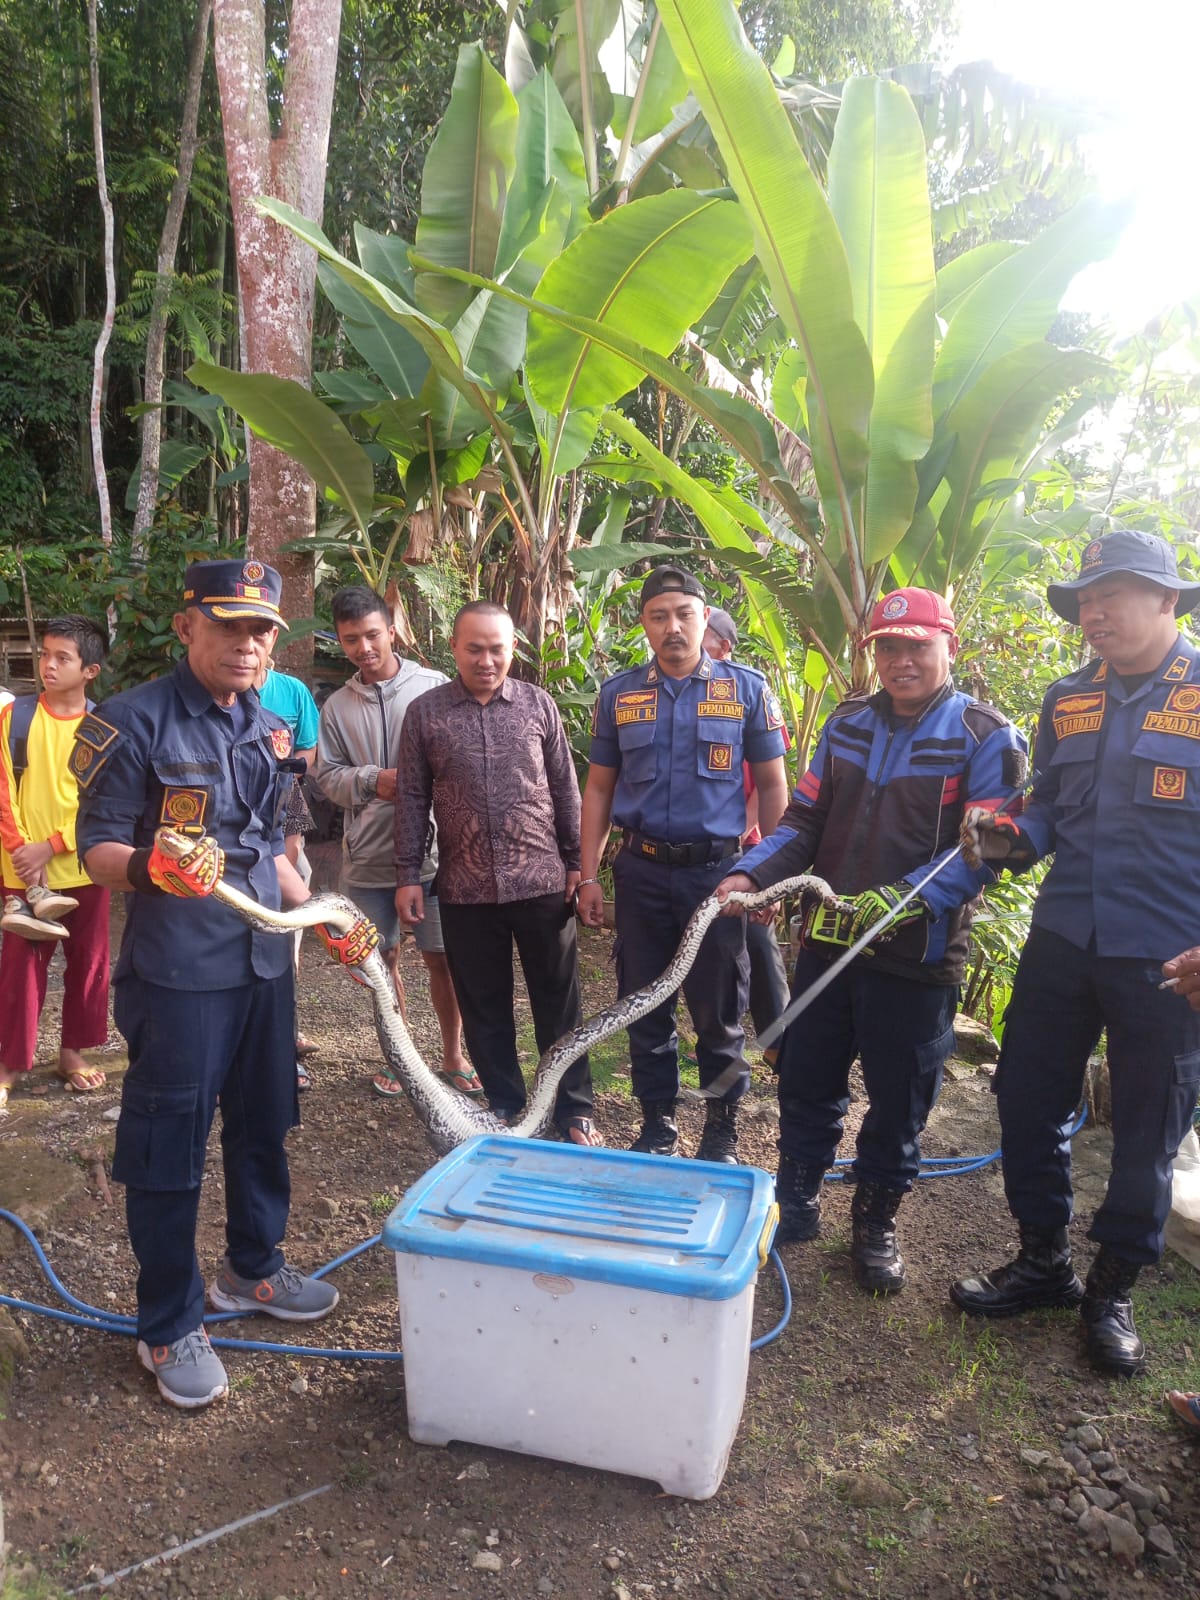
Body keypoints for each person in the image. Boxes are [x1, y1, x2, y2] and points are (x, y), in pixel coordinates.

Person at [75, 559, 377, 1410]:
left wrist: (325, 912)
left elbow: (271, 854)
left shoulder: (270, 726)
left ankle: (253, 1270)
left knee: (263, 1121)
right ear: (188, 628)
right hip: (181, 975)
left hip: (262, 963)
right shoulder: (131, 723)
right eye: (231, 626)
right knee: (169, 1147)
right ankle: (168, 1323)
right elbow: (97, 852)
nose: (248, 645)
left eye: (263, 631)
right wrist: (151, 867)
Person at [716, 587, 1027, 1292]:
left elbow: (981, 853)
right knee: (807, 1077)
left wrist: (902, 900)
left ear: (949, 645)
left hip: (916, 960)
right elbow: (802, 822)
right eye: (888, 647)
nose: (900, 661)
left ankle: (875, 1222)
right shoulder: (849, 721)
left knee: (897, 1101)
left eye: (916, 646)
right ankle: (794, 1199)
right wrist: (747, 875)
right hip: (827, 942)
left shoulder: (986, 736)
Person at [950, 529, 1200, 1378]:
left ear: (1167, 600)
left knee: (1144, 1134)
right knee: (1024, 1099)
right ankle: (1044, 1261)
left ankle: (1113, 1291)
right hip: (1063, 937)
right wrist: (1008, 832)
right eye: (1084, 599)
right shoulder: (1069, 698)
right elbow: (1050, 805)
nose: (1094, 612)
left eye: (1114, 594)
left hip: (1171, 959)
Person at [577, 566, 788, 1163]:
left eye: (684, 614)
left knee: (719, 1010)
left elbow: (774, 788)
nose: (673, 628)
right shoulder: (619, 695)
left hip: (717, 877)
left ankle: (721, 1131)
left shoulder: (746, 690)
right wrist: (589, 874)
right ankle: (658, 1126)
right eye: (658, 616)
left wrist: (769, 876)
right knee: (645, 1003)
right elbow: (597, 791)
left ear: (703, 619)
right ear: (643, 625)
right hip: (640, 872)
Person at [394, 600, 599, 1144]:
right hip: (464, 887)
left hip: (541, 883)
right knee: (484, 1006)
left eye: (497, 649)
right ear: (455, 649)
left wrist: (577, 863)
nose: (487, 660)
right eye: (474, 648)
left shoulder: (538, 705)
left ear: (513, 650)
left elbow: (565, 789)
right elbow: (412, 798)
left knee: (559, 1001)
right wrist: (408, 873)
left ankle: (573, 1108)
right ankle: (507, 1106)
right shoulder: (425, 713)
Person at [314, 586, 476, 1099]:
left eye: (372, 635)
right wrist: (370, 780)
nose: (364, 647)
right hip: (368, 857)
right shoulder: (336, 707)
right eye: (351, 639)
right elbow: (326, 777)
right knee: (380, 964)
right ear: (341, 642)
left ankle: (453, 1055)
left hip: (436, 856)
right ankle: (402, 1057)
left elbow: (465, 762)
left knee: (444, 957)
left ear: (391, 629)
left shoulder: (435, 688)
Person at [0, 616, 112, 1110]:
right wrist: (22, 853)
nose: (47, 665)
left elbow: (107, 803)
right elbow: (3, 789)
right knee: (19, 967)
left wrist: (53, 845)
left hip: (86, 866)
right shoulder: (16, 717)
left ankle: (72, 1051)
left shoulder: (104, 728)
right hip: (21, 869)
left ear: (90, 670)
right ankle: (9, 1061)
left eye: (61, 658)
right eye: (45, 654)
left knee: (90, 963)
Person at [702, 607, 792, 1065]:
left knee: (756, 940)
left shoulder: (746, 692)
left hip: (746, 846)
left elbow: (766, 782)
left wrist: (749, 842)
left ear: (722, 644)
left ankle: (778, 1043)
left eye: (703, 632)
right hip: (699, 850)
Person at [254, 653, 320, 1087]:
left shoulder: (292, 692)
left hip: (285, 802)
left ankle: (285, 1037)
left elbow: (307, 750)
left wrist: (290, 834)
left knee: (285, 944)